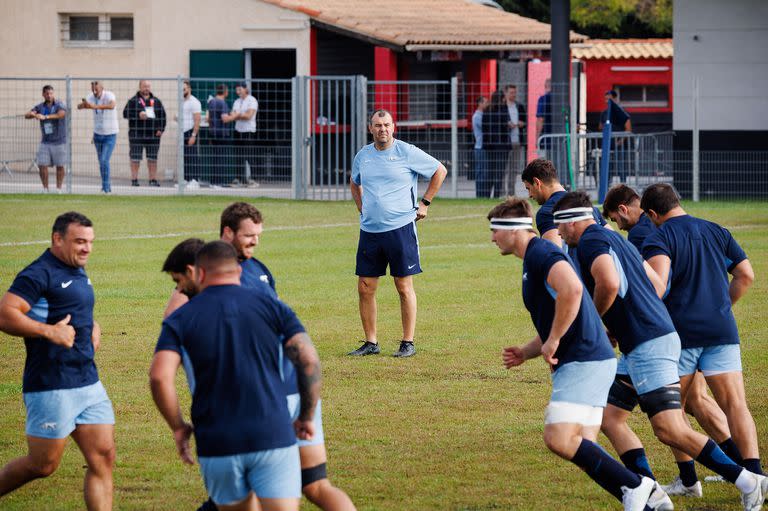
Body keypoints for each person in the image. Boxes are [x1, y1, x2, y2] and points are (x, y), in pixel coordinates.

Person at [554, 191, 767, 511]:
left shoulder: (591, 241)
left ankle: (747, 479)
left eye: (560, 225)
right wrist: (627, 317)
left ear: (574, 222)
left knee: (670, 428)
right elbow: (653, 280)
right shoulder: (616, 237)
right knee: (611, 418)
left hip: (648, 344)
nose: (558, 233)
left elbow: (611, 283)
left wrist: (597, 325)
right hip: (652, 338)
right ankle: (648, 490)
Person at [163, 204, 355, 511]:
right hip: (295, 388)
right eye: (249, 236)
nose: (254, 242)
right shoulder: (245, 274)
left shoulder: (238, 276)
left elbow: (172, 343)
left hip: (268, 397)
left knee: (258, 485)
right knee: (315, 484)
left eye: (257, 236)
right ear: (228, 233)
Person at [488, 197, 656, 511]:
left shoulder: (542, 253)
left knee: (558, 437)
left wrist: (553, 342)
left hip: (584, 359)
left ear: (513, 230)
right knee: (581, 443)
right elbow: (562, 311)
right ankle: (645, 500)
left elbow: (573, 291)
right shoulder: (534, 258)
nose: (492, 237)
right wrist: (527, 351)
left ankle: (637, 485)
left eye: (495, 229)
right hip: (589, 358)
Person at [151, 241, 321, 511]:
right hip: (273, 434)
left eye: (178, 282)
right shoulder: (274, 307)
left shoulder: (180, 318)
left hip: (217, 441)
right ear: (239, 271)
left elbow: (160, 377)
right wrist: (306, 416)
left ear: (201, 273)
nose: (180, 289)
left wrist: (179, 426)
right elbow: (309, 361)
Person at [602, 184, 741, 496]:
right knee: (701, 403)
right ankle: (740, 471)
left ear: (625, 210)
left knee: (674, 413)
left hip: (662, 335)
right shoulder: (686, 228)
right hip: (698, 328)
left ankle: (714, 477)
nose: (619, 227)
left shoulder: (645, 235)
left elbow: (652, 288)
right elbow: (743, 274)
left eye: (616, 219)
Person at [640, 184, 765, 494]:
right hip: (722, 330)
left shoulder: (659, 236)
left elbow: (658, 285)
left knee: (674, 413)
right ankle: (756, 477)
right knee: (736, 405)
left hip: (681, 335)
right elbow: (746, 275)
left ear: (653, 214)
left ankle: (688, 480)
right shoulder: (717, 230)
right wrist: (721, 306)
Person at [0, 212, 115, 509]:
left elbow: (73, 306)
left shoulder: (76, 268)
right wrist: (49, 331)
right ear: (57, 239)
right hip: (52, 384)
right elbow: (6, 313)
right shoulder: (38, 273)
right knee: (43, 465)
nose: (87, 248)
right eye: (79, 241)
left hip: (87, 381)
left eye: (90, 242)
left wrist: (92, 325)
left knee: (103, 457)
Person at [348, 109, 447, 358]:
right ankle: (371, 342)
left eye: (387, 124)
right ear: (370, 128)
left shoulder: (406, 151)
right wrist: (363, 209)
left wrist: (425, 203)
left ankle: (407, 342)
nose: (382, 129)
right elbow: (354, 181)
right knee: (365, 287)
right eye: (377, 125)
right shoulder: (363, 156)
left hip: (400, 229)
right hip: (370, 230)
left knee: (403, 285)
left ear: (394, 127)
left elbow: (439, 170)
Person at [521, 158, 608, 248]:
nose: (530, 195)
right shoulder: (588, 206)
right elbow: (613, 242)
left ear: (536, 182)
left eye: (529, 188)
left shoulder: (547, 212)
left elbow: (553, 256)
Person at [123, 80, 166, 187]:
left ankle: (152, 180)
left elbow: (163, 116)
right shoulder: (133, 101)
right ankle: (134, 180)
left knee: (152, 158)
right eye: (144, 86)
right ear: (140, 87)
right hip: (136, 134)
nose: (146, 88)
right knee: (135, 158)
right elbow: (125, 113)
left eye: (148, 86)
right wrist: (138, 114)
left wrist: (160, 129)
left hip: (153, 135)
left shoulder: (156, 101)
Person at [78, 81, 118, 194]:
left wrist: (94, 106)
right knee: (101, 162)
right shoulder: (90, 96)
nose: (94, 90)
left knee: (105, 160)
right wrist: (84, 105)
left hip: (110, 134)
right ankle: (105, 187)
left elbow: (112, 105)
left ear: (102, 87)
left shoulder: (109, 95)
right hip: (97, 134)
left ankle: (106, 188)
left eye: (96, 87)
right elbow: (79, 107)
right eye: (93, 87)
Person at [25, 85, 67, 193]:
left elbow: (61, 114)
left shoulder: (59, 104)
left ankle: (58, 189)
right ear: (43, 94)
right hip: (45, 142)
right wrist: (34, 114)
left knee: (60, 165)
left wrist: (46, 117)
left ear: (53, 94)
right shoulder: (40, 106)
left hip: (59, 142)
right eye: (47, 93)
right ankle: (45, 188)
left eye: (51, 93)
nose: (49, 95)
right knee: (42, 165)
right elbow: (27, 115)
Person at [223, 82, 258, 186]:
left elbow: (249, 116)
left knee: (249, 156)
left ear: (245, 89)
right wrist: (237, 115)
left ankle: (252, 179)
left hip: (248, 131)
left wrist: (236, 115)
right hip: (238, 130)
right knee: (238, 156)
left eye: (240, 90)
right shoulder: (237, 101)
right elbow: (233, 114)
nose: (238, 92)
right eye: (237, 90)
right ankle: (239, 178)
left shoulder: (252, 100)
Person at [598, 90, 632, 183]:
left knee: (621, 167)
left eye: (609, 99)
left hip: (619, 146)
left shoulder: (621, 112)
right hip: (608, 144)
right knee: (607, 166)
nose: (607, 101)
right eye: (606, 99)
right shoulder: (604, 113)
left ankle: (623, 185)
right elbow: (600, 127)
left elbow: (628, 128)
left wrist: (621, 140)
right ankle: (607, 186)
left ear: (614, 99)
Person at [481, 90, 508, 198]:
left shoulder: (487, 110)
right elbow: (505, 126)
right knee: (499, 172)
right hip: (502, 145)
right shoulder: (503, 110)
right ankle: (496, 195)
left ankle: (487, 195)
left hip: (489, 145)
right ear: (502, 99)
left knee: (490, 171)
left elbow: (484, 128)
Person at [503, 85, 526, 196]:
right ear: (506, 93)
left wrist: (521, 124)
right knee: (503, 167)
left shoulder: (519, 106)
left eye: (515, 92)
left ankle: (511, 192)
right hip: (505, 142)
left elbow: (524, 121)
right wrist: (507, 125)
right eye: (511, 92)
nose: (513, 95)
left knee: (514, 168)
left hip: (517, 141)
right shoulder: (502, 107)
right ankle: (502, 191)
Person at [207, 84, 231, 186]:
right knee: (221, 158)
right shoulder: (222, 103)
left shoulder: (211, 102)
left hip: (213, 132)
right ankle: (219, 182)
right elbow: (225, 118)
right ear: (225, 92)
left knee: (215, 158)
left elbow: (208, 118)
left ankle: (214, 181)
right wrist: (235, 115)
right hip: (222, 133)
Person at [181, 80, 202, 186]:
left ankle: (194, 180)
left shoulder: (194, 102)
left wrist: (193, 135)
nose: (182, 91)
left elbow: (197, 119)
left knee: (192, 156)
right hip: (182, 132)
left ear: (189, 89)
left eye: (184, 89)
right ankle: (186, 179)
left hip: (190, 131)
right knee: (184, 157)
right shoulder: (182, 101)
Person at [472, 96, 488, 198]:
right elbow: (485, 128)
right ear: (480, 103)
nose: (488, 104)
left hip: (482, 146)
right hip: (480, 147)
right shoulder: (477, 116)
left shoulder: (482, 115)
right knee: (481, 171)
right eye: (486, 102)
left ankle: (483, 194)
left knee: (484, 171)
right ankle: (480, 194)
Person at [535, 78, 553, 159]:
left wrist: (537, 137)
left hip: (545, 139)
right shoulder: (563, 99)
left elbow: (540, 119)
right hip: (560, 140)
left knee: (543, 165)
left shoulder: (543, 99)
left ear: (545, 86)